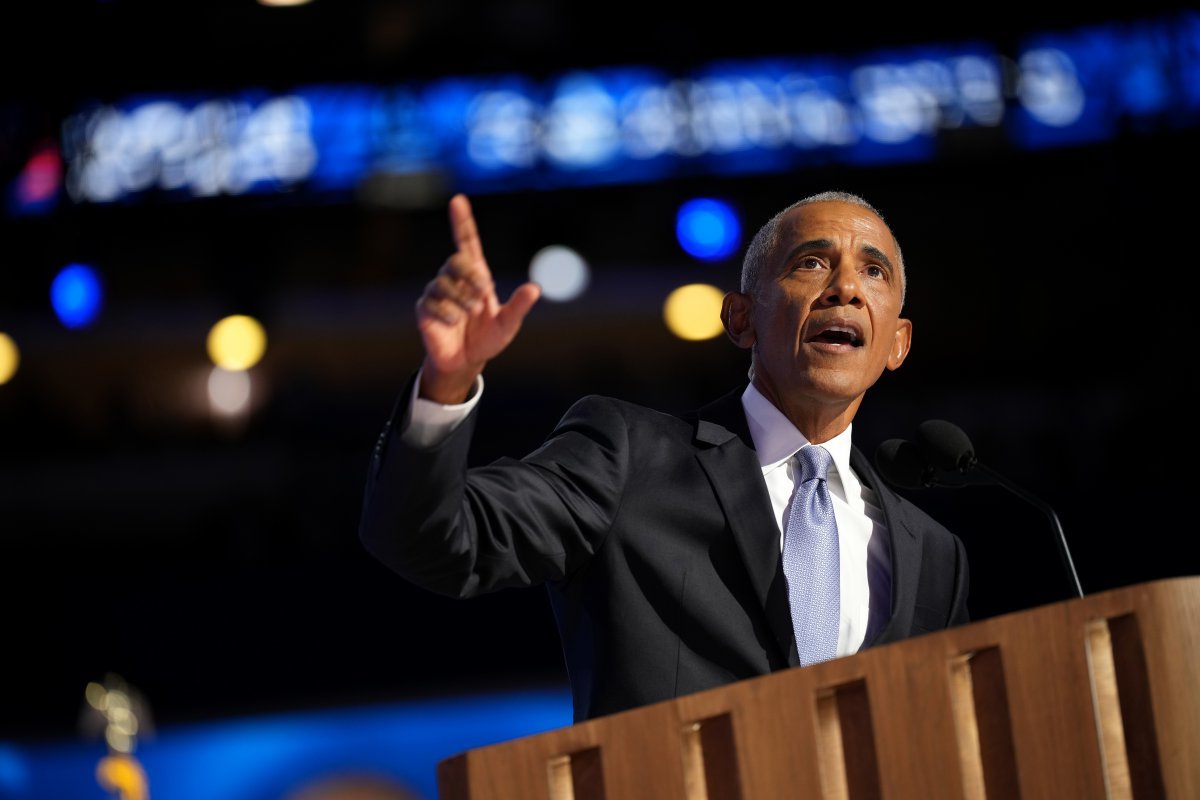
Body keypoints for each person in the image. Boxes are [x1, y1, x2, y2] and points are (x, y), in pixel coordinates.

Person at [358, 190, 970, 723]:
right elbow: (432, 540)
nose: (845, 289)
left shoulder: (933, 554)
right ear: (740, 319)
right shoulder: (629, 456)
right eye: (812, 262)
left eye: (874, 272)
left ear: (897, 342)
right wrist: (443, 388)